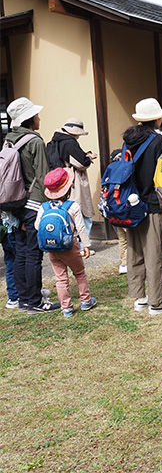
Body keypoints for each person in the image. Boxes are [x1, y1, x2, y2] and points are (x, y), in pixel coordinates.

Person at [123, 98, 162, 314]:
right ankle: (156, 302)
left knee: (135, 251)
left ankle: (139, 297)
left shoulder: (128, 140)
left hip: (130, 203)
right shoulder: (160, 142)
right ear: (156, 118)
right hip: (153, 203)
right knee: (155, 253)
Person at [5, 97, 60, 313]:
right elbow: (43, 177)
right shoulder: (35, 141)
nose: (39, 118)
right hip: (33, 203)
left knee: (20, 252)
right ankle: (35, 302)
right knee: (34, 254)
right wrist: (47, 206)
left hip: (14, 203)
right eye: (36, 115)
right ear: (29, 118)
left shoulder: (9, 140)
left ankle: (24, 298)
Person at [35, 168, 97, 317]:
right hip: (70, 246)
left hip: (52, 248)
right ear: (68, 188)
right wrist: (86, 245)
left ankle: (66, 307)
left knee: (60, 278)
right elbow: (81, 227)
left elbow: (37, 226)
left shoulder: (43, 208)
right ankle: (85, 301)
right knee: (80, 273)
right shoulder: (73, 206)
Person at [46, 118, 97, 248]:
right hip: (73, 181)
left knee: (67, 212)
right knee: (81, 213)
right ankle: (81, 246)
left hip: (60, 183)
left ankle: (68, 243)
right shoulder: (69, 143)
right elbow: (81, 163)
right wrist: (89, 157)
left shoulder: (54, 141)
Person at [1, 210, 19, 308]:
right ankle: (27, 294)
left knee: (10, 264)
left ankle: (13, 297)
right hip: (12, 228)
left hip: (4, 232)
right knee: (22, 262)